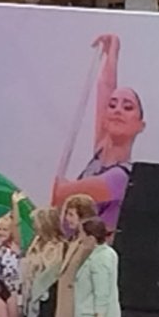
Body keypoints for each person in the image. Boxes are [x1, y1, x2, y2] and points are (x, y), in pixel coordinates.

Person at [52, 34, 144, 234]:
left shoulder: (120, 176)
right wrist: (112, 52)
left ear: (140, 125)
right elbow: (105, 87)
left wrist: (63, 187)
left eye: (127, 107)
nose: (117, 110)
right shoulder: (101, 150)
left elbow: (63, 194)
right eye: (112, 106)